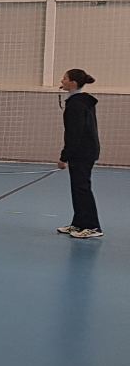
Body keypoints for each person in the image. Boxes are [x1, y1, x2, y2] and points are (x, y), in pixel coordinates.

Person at [57, 68, 103, 239]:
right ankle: (79, 223)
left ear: (73, 83)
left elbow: (74, 134)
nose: (62, 81)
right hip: (83, 151)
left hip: (83, 152)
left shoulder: (77, 104)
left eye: (65, 78)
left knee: (82, 189)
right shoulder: (80, 101)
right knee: (77, 188)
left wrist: (64, 157)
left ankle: (92, 226)